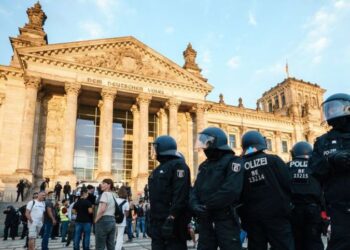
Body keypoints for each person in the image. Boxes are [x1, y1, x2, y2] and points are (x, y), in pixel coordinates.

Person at [239, 130, 294, 250]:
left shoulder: (240, 165)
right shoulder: (273, 160)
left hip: (252, 218)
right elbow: (288, 184)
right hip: (277, 215)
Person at [190, 127, 243, 250]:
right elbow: (195, 189)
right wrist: (194, 205)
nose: (204, 147)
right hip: (206, 220)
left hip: (226, 219)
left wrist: (207, 206)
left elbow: (231, 190)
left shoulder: (233, 161)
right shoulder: (204, 165)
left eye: (207, 142)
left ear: (216, 142)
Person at [309, 93, 350, 249]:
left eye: (335, 109)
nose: (331, 113)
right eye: (329, 110)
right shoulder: (323, 141)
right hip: (338, 207)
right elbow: (314, 170)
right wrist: (331, 161)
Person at [148, 135, 191, 250]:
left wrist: (172, 217)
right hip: (157, 222)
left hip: (173, 222)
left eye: (155, 147)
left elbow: (180, 194)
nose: (154, 151)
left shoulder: (178, 165)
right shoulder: (156, 170)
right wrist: (151, 220)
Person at [288, 141, 324, 250]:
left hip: (293, 210)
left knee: (295, 242)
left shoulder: (287, 166)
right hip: (313, 211)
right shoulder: (316, 166)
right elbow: (323, 189)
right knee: (314, 242)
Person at [94, 178, 117, 250]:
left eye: (104, 183)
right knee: (111, 245)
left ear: (109, 185)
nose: (101, 185)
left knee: (100, 245)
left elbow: (102, 209)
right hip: (112, 220)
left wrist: (96, 220)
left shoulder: (105, 194)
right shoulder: (114, 195)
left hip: (103, 220)